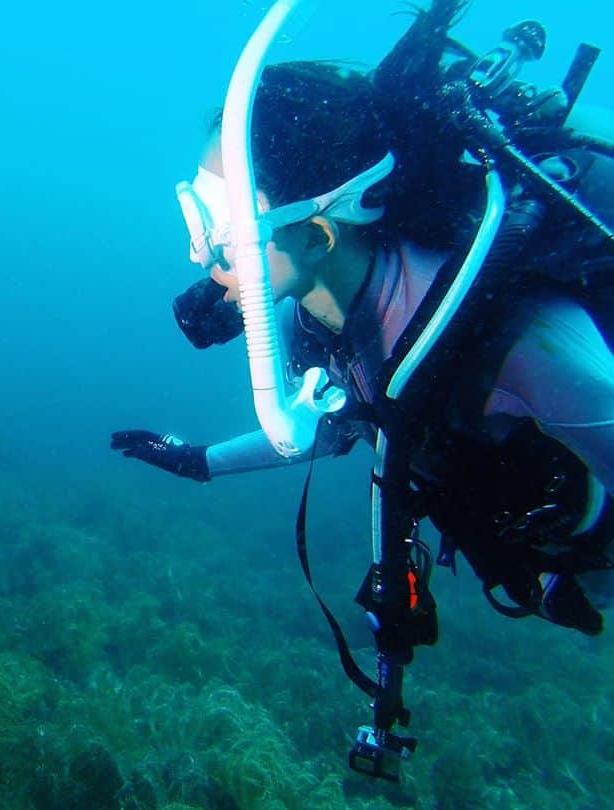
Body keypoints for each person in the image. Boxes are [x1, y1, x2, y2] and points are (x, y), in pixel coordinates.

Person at [112, 1, 614, 640]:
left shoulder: (518, 342)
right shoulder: (319, 322)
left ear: (317, 236)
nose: (202, 252)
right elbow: (333, 422)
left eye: (224, 228)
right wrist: (198, 461)